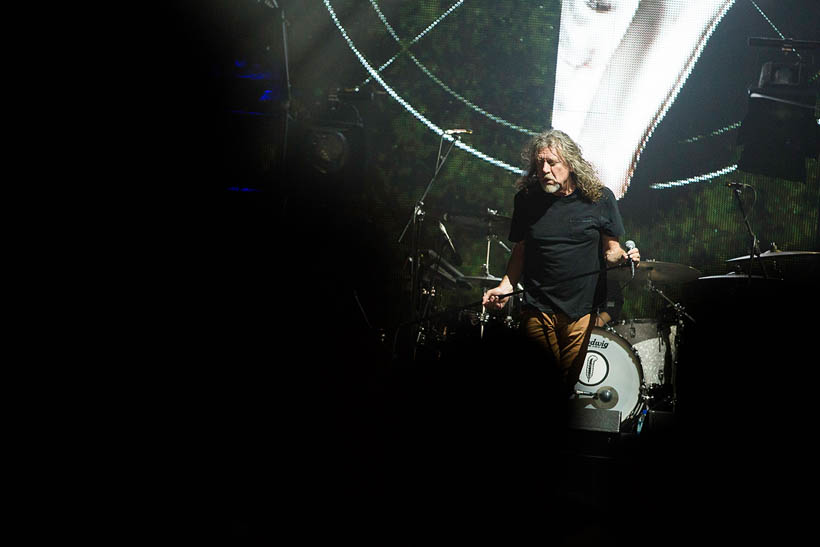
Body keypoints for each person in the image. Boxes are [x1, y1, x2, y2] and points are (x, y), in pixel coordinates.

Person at [482, 129, 640, 394]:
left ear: (570, 163)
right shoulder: (527, 200)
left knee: (562, 387)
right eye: (539, 163)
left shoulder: (599, 199)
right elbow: (521, 249)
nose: (544, 170)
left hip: (580, 309)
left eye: (552, 163)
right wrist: (506, 286)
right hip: (537, 306)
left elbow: (611, 249)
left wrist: (624, 256)